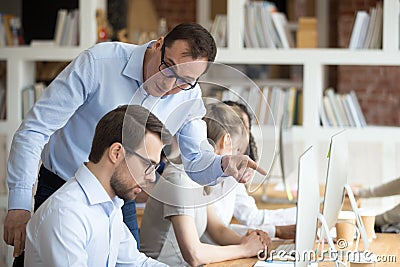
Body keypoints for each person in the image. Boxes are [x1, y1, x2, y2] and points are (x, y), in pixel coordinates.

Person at [4, 22, 266, 259]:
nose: (169, 86)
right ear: (159, 44)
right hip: (61, 185)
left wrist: (224, 164)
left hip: (119, 193)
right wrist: (18, 205)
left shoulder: (188, 96)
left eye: (185, 81)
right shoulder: (100, 63)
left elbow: (196, 161)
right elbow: (35, 130)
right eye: (168, 69)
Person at [24, 105, 171, 266]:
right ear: (116, 153)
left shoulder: (110, 206)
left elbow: (136, 263)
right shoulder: (65, 215)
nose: (151, 177)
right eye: (147, 165)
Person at [140, 103, 270, 266]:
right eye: (237, 151)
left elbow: (217, 230)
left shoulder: (199, 178)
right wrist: (245, 249)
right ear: (225, 142)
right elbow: (194, 255)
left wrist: (252, 241)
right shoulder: (179, 179)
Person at [201, 101, 296, 242]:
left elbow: (248, 218)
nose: (241, 154)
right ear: (226, 140)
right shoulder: (198, 178)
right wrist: (275, 232)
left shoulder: (228, 175)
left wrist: (302, 215)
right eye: (238, 149)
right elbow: (218, 233)